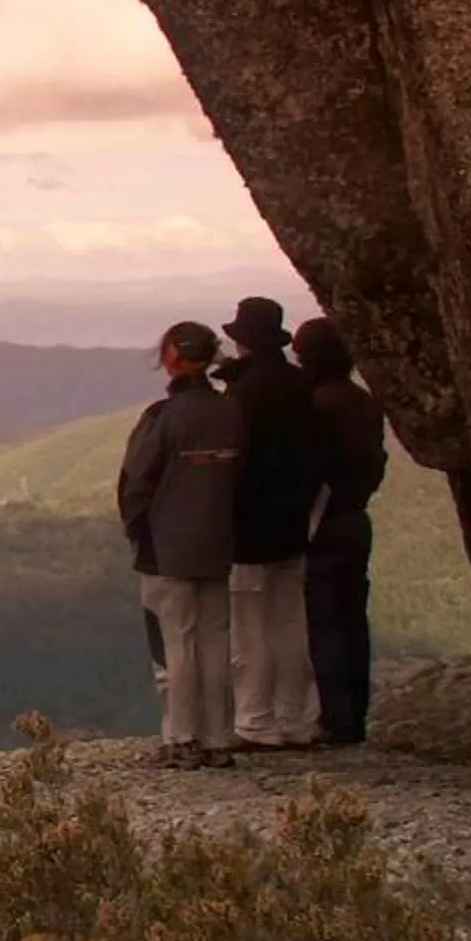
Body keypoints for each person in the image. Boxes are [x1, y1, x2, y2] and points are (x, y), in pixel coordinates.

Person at [119, 320, 242, 767]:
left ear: (170, 355)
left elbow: (136, 483)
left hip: (166, 547)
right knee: (214, 640)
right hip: (218, 541)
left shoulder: (163, 418)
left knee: (175, 643)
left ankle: (182, 737)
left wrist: (137, 531)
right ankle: (218, 738)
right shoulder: (231, 412)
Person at [216, 296, 327, 750]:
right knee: (288, 623)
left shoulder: (244, 394)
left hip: (249, 527)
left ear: (242, 342)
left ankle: (256, 721)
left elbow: (237, 460)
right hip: (292, 520)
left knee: (249, 626)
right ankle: (295, 718)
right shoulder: (300, 384)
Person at [296, 316, 388, 745]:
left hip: (322, 522)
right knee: (352, 619)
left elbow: (308, 470)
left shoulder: (315, 405)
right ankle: (355, 717)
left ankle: (335, 719)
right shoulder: (364, 402)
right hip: (356, 516)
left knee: (324, 621)